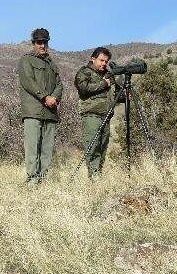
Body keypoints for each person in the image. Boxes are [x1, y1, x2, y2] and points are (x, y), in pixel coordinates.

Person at [18, 28, 63, 186]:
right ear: (33, 43)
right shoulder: (26, 60)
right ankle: (32, 181)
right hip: (33, 111)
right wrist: (45, 97)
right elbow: (28, 81)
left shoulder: (52, 64)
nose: (42, 45)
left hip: (50, 112)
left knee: (47, 149)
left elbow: (59, 84)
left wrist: (55, 98)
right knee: (32, 147)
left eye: (45, 42)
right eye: (39, 42)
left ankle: (43, 181)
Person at [74, 47, 121, 179]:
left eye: (106, 61)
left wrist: (124, 95)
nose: (104, 64)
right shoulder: (84, 72)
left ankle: (98, 174)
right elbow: (83, 88)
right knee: (92, 145)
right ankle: (93, 175)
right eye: (101, 60)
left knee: (103, 146)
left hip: (106, 115)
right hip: (91, 114)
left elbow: (114, 94)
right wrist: (103, 84)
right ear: (93, 58)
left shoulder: (108, 75)